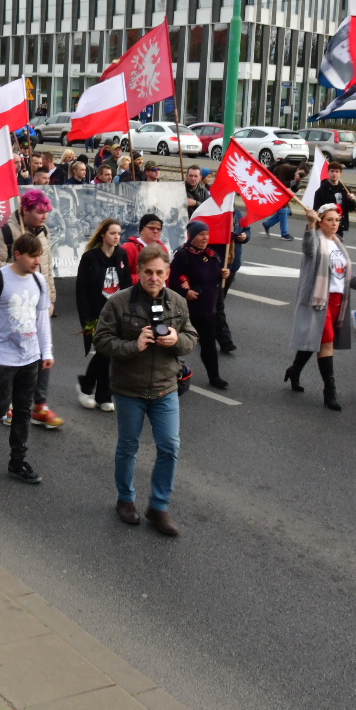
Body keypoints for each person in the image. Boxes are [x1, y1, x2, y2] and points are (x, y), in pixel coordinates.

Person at [94, 245, 197, 537]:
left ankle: (159, 507)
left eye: (159, 273)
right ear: (140, 272)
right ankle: (125, 500)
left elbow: (191, 337)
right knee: (129, 446)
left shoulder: (177, 302)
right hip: (129, 389)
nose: (154, 278)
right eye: (148, 272)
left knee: (170, 447)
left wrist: (177, 339)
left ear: (167, 273)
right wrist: (133, 345)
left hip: (166, 388)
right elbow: (101, 340)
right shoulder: (119, 302)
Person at [0, 231, 53, 485]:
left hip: (29, 356)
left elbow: (42, 319)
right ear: (17, 255)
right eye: (32, 256)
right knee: (0, 405)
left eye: (39, 256)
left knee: (23, 410)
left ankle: (17, 461)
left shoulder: (39, 281)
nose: (37, 261)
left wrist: (46, 351)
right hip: (0, 357)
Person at [0, 189, 62, 429]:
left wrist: (51, 296)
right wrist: (18, 270)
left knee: (41, 354)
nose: (44, 216)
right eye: (39, 212)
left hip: (38, 304)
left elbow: (46, 267)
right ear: (25, 210)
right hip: (13, 307)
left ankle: (39, 406)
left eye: (47, 212)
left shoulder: (44, 232)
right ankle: (7, 404)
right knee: (11, 356)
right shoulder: (7, 232)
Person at [284, 203, 352, 410]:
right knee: (326, 343)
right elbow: (308, 248)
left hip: (338, 300)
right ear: (321, 222)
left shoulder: (338, 243)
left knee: (316, 340)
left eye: (337, 220)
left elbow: (342, 272)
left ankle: (294, 370)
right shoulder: (316, 240)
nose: (334, 224)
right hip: (320, 299)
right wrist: (310, 224)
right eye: (330, 220)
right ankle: (329, 392)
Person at [75, 218, 131, 410]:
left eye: (118, 234)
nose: (116, 237)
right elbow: (81, 291)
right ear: (103, 235)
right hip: (96, 314)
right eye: (112, 233)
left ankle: (90, 386)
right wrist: (86, 320)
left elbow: (127, 286)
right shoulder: (90, 258)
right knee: (105, 351)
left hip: (116, 313)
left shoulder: (122, 255)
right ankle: (102, 394)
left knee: (106, 352)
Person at [169, 220, 229, 390]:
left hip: (207, 310)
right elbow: (173, 279)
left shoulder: (212, 255)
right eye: (201, 234)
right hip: (187, 310)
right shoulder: (184, 255)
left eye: (207, 234)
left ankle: (214, 376)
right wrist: (185, 293)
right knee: (178, 343)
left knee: (209, 343)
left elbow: (214, 279)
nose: (205, 237)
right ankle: (170, 373)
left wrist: (224, 273)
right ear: (192, 237)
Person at [312, 162, 356, 235]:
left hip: (339, 225)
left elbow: (351, 208)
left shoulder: (344, 189)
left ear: (340, 173)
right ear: (328, 172)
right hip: (326, 225)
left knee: (338, 245)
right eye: (332, 171)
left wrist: (352, 200)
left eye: (337, 171)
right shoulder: (321, 190)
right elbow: (317, 209)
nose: (334, 174)